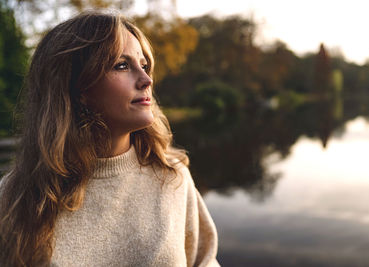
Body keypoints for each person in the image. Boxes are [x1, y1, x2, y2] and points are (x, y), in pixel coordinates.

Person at [0, 11, 219, 266]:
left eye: (144, 65)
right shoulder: (15, 197)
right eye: (122, 65)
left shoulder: (172, 177)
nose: (146, 80)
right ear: (77, 88)